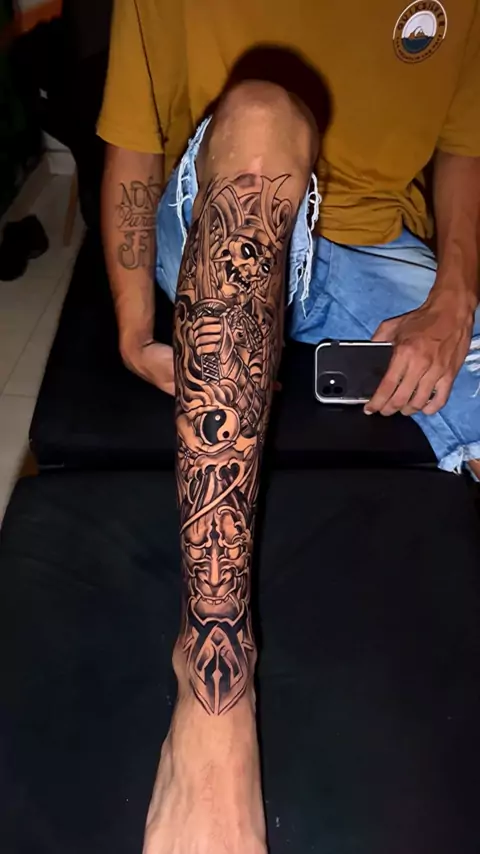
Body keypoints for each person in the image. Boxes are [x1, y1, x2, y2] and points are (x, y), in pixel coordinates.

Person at [98, 2, 480, 851]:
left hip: (377, 251)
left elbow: (466, 143)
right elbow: (132, 138)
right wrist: (131, 330)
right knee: (263, 116)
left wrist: (454, 299)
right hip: (220, 210)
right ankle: (214, 685)